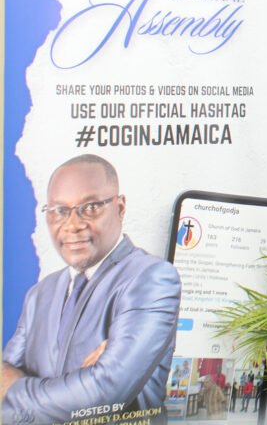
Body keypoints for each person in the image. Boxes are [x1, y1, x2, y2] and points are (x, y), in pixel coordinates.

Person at [1, 154, 181, 423]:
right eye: (59, 211)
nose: (72, 225)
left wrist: (16, 388)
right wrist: (80, 384)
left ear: (120, 208)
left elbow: (104, 394)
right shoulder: (40, 294)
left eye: (91, 207)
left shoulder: (151, 278)